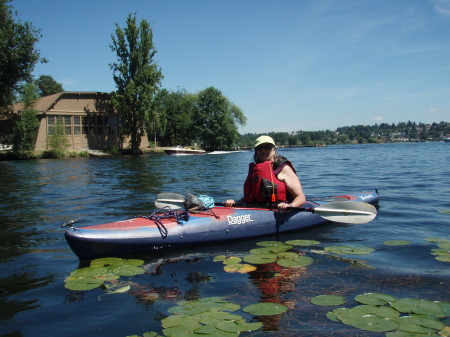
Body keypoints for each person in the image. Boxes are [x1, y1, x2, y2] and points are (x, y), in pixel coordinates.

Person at [224, 135, 306, 211]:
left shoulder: (284, 168)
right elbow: (251, 196)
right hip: (257, 209)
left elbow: (301, 197)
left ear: (274, 150)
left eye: (267, 147)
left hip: (279, 210)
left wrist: (290, 206)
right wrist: (234, 203)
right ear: (256, 151)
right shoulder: (256, 170)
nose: (263, 150)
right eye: (259, 148)